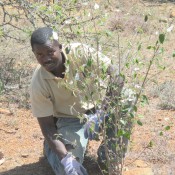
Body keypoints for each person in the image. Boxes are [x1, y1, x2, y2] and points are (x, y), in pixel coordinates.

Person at [29, 27, 112, 175]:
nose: (46, 58)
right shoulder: (38, 82)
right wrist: (66, 159)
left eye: (50, 52)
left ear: (60, 47)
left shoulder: (81, 53)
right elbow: (48, 128)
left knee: (128, 97)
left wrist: (101, 112)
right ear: (34, 54)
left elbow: (117, 76)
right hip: (70, 120)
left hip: (100, 109)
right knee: (66, 170)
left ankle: (108, 157)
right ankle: (52, 151)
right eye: (39, 54)